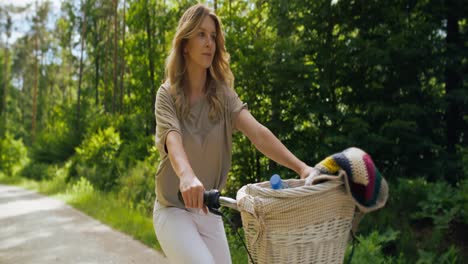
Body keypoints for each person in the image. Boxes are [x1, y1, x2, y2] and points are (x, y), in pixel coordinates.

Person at [153, 4, 317, 264]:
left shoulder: (223, 96)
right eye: (201, 35)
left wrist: (302, 168)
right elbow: (173, 140)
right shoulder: (167, 94)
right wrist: (187, 177)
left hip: (208, 206)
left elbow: (259, 134)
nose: (210, 43)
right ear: (185, 44)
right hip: (173, 207)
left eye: (213, 37)